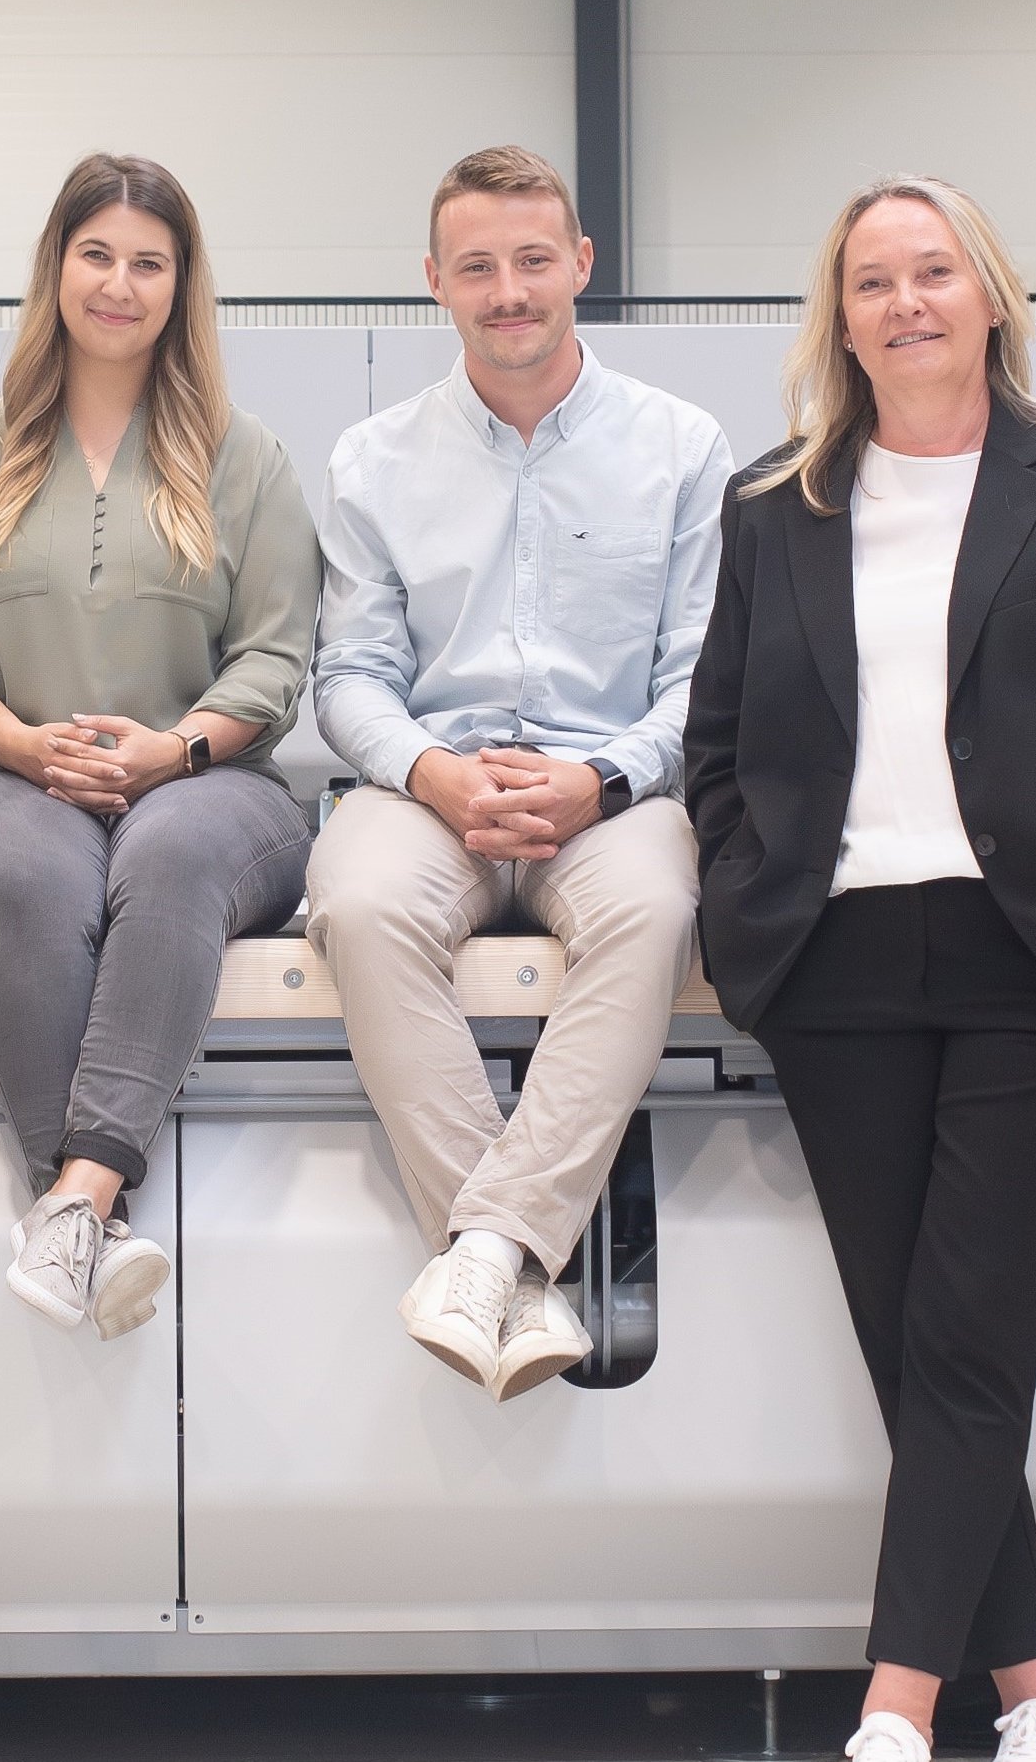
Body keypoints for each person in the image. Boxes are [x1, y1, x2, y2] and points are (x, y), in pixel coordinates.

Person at [684, 175, 1036, 1762]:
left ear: (990, 294)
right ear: (841, 318)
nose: (906, 302)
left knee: (971, 1326)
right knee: (911, 1337)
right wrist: (744, 885)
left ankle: (898, 1706)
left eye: (934, 271)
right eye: (874, 281)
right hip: (835, 957)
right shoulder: (775, 503)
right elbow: (719, 736)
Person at [305, 144, 737, 1396]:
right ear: (434, 279)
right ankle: (515, 1264)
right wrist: (432, 772)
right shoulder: (373, 460)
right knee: (360, 903)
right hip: (429, 789)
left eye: (533, 260)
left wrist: (602, 780)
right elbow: (351, 673)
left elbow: (704, 674)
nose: (508, 292)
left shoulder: (681, 446)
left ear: (581, 264)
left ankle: (481, 1253)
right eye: (478, 267)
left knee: (655, 910)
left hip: (613, 793)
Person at [0, 153, 324, 1340]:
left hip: (211, 783)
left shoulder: (246, 459)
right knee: (29, 878)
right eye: (97, 255)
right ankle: (99, 1221)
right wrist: (27, 749)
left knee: (168, 856)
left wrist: (169, 753)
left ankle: (75, 1199)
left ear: (181, 284)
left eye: (148, 263)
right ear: (56, 267)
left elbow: (274, 660)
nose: (119, 285)